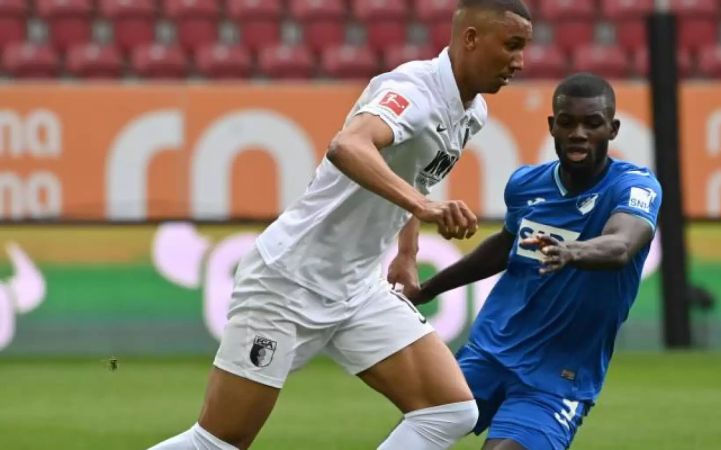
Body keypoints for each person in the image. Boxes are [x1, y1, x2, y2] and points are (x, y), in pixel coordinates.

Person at [148, 1, 533, 449]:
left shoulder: (472, 113)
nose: (520, 62)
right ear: (470, 38)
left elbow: (418, 174)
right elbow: (348, 146)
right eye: (512, 45)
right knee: (219, 442)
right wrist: (424, 207)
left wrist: (406, 255)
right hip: (288, 281)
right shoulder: (413, 91)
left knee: (449, 411)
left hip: (357, 288)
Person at [410, 73, 662, 450]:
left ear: (612, 129)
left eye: (592, 123)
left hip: (558, 377)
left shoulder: (634, 187)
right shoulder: (527, 185)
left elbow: (621, 245)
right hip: (490, 351)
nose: (578, 132)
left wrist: (570, 251)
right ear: (552, 126)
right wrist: (427, 289)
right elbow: (503, 247)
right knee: (413, 436)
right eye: (567, 122)